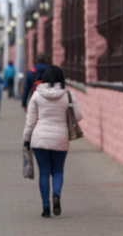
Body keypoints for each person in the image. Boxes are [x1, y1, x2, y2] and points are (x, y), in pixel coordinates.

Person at [22, 66, 83, 218]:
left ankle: (46, 207)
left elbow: (30, 121)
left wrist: (26, 140)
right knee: (58, 170)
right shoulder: (68, 94)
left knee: (44, 172)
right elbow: (79, 115)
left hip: (39, 139)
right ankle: (56, 195)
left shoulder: (36, 95)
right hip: (60, 138)